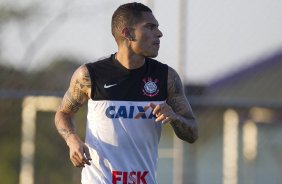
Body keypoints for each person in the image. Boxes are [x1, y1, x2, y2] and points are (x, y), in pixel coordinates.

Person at [55, 2, 198, 184]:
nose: (159, 34)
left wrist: (175, 118)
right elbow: (64, 113)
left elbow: (192, 133)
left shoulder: (166, 77)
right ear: (127, 33)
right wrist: (72, 140)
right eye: (150, 27)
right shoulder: (90, 75)